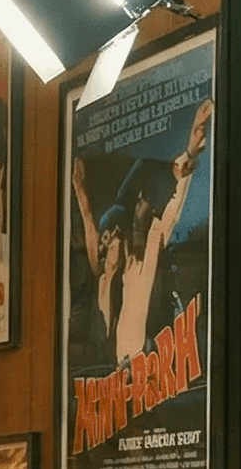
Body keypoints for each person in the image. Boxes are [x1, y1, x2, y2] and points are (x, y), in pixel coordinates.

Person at [72, 96, 213, 364]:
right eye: (102, 244)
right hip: (114, 382)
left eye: (106, 241)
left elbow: (172, 213)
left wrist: (191, 153)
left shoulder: (142, 264)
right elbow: (92, 239)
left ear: (120, 237)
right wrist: (81, 194)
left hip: (143, 375)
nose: (101, 248)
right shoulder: (107, 282)